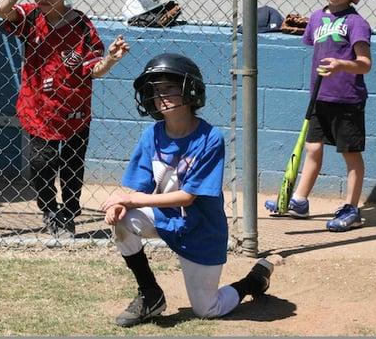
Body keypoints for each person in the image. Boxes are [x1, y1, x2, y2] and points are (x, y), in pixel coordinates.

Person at [101, 53, 274, 327]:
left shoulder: (210, 138)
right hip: (164, 219)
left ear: (190, 91)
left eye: (169, 88)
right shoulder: (152, 135)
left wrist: (131, 199)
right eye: (156, 90)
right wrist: (122, 203)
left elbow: (188, 197)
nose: (161, 96)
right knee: (122, 219)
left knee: (207, 309)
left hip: (201, 231)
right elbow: (136, 187)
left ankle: (251, 281)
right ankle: (150, 293)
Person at [0, 0, 130, 238]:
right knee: (40, 163)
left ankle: (68, 213)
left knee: (71, 167)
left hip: (74, 112)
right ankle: (49, 209)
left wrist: (112, 59)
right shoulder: (31, 17)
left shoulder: (80, 25)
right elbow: (1, 9)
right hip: (39, 110)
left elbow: (95, 70)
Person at [265, 0, 372, 231]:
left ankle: (352, 209)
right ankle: (299, 200)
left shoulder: (356, 23)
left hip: (347, 100)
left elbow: (365, 64)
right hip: (319, 97)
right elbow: (316, 46)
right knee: (312, 149)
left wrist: (341, 65)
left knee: (350, 154)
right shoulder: (315, 18)